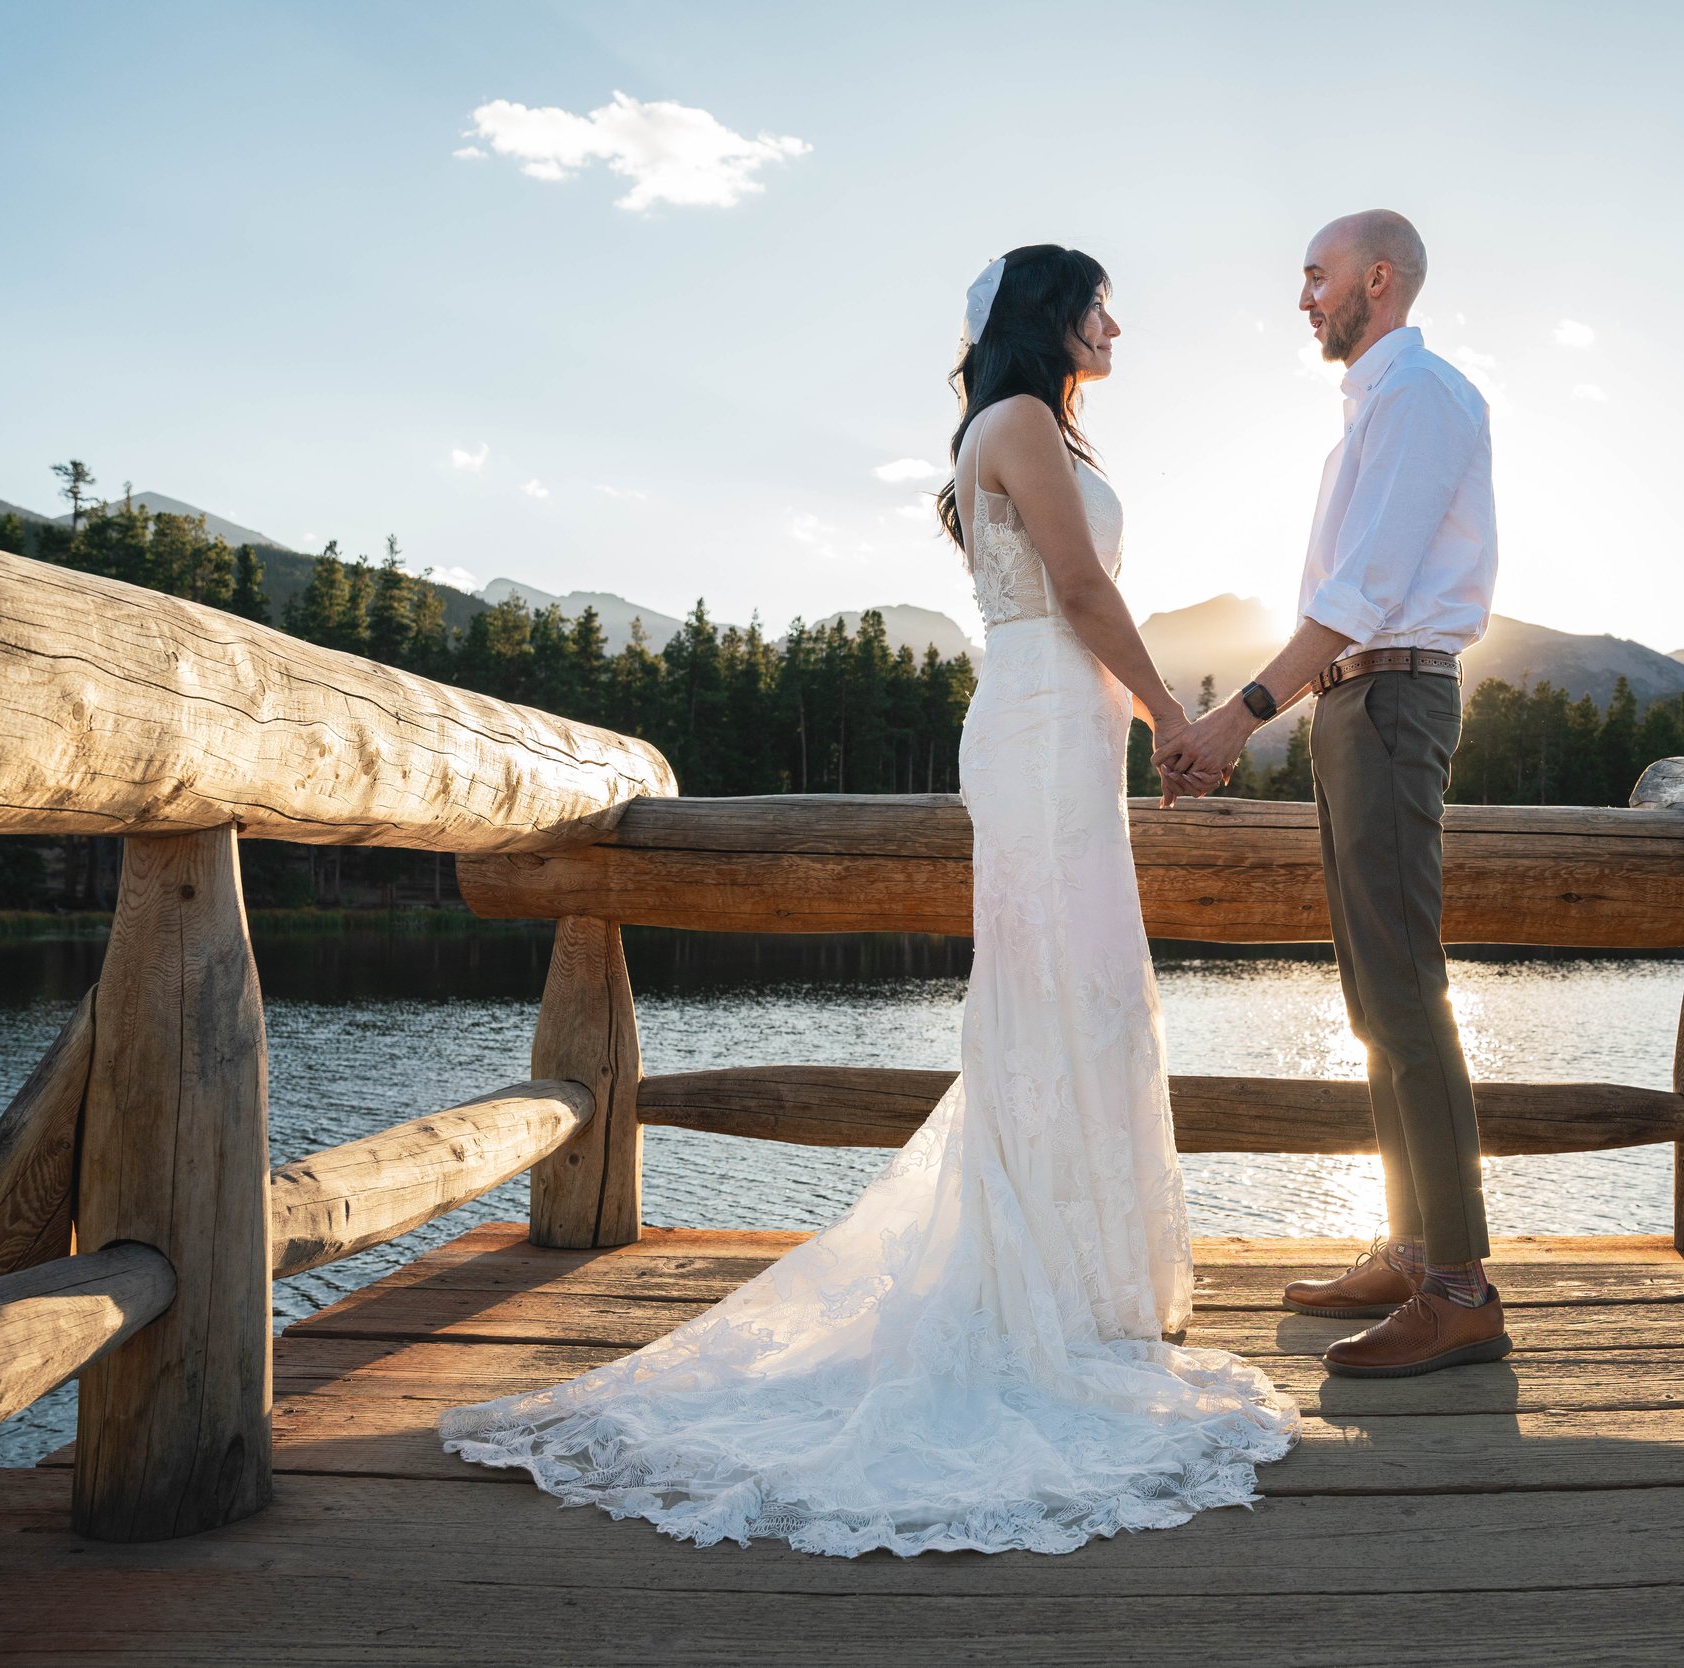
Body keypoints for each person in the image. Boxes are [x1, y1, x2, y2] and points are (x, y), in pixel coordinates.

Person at [441, 244, 1298, 1556]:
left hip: (1070, 727)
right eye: (1095, 301)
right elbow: (1074, 592)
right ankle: (1044, 1304)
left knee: (1087, 996)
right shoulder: (1012, 424)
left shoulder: (1036, 431)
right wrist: (1176, 715)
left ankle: (1082, 1289)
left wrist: (1148, 729)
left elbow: (1082, 599)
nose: (1114, 322)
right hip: (1037, 721)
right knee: (1053, 997)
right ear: (1044, 316)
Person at [1152, 210, 1506, 1379]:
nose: (1303, 296)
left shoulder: (1421, 397)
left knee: (1406, 993)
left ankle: (1457, 1289)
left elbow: (1366, 590)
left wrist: (1235, 717)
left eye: (1317, 275)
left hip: (1394, 702)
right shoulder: (1371, 409)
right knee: (1371, 998)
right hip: (1353, 705)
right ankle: (1411, 1250)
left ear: (1378, 278)